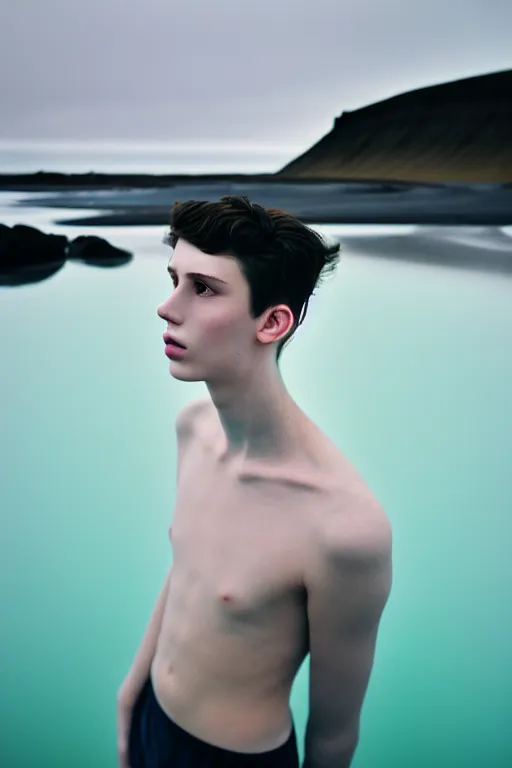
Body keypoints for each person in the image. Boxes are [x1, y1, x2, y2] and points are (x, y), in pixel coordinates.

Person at [116, 195, 393, 768]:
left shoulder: (344, 530)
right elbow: (187, 570)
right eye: (174, 279)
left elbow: (335, 735)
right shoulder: (193, 430)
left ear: (272, 322)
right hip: (150, 719)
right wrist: (130, 693)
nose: (167, 308)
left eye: (204, 288)